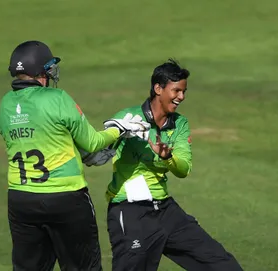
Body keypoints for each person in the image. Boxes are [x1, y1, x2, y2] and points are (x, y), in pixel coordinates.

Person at [0, 40, 150, 271]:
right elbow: (93, 142)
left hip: (21, 200)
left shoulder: (6, 104)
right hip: (65, 199)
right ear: (40, 72)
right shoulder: (57, 98)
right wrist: (118, 129)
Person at [103, 59, 244, 271]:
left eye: (184, 91)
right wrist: (114, 134)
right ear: (158, 88)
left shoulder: (180, 124)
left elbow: (183, 169)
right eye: (176, 90)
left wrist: (167, 157)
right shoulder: (128, 117)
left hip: (166, 212)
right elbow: (97, 146)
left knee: (223, 265)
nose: (181, 97)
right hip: (130, 211)